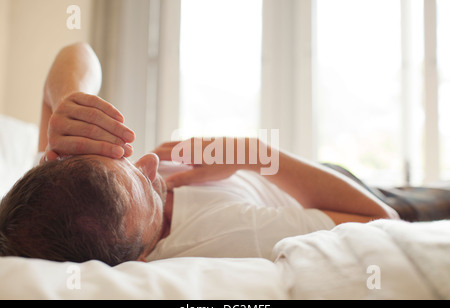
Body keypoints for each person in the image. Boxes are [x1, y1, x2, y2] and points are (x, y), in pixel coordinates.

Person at [0, 43, 398, 266]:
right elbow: (382, 219)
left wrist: (71, 100)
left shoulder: (52, 196)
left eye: (127, 160)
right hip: (346, 190)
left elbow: (76, 53)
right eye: (149, 193)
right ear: (140, 256)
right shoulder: (234, 236)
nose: (152, 161)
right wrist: (253, 152)